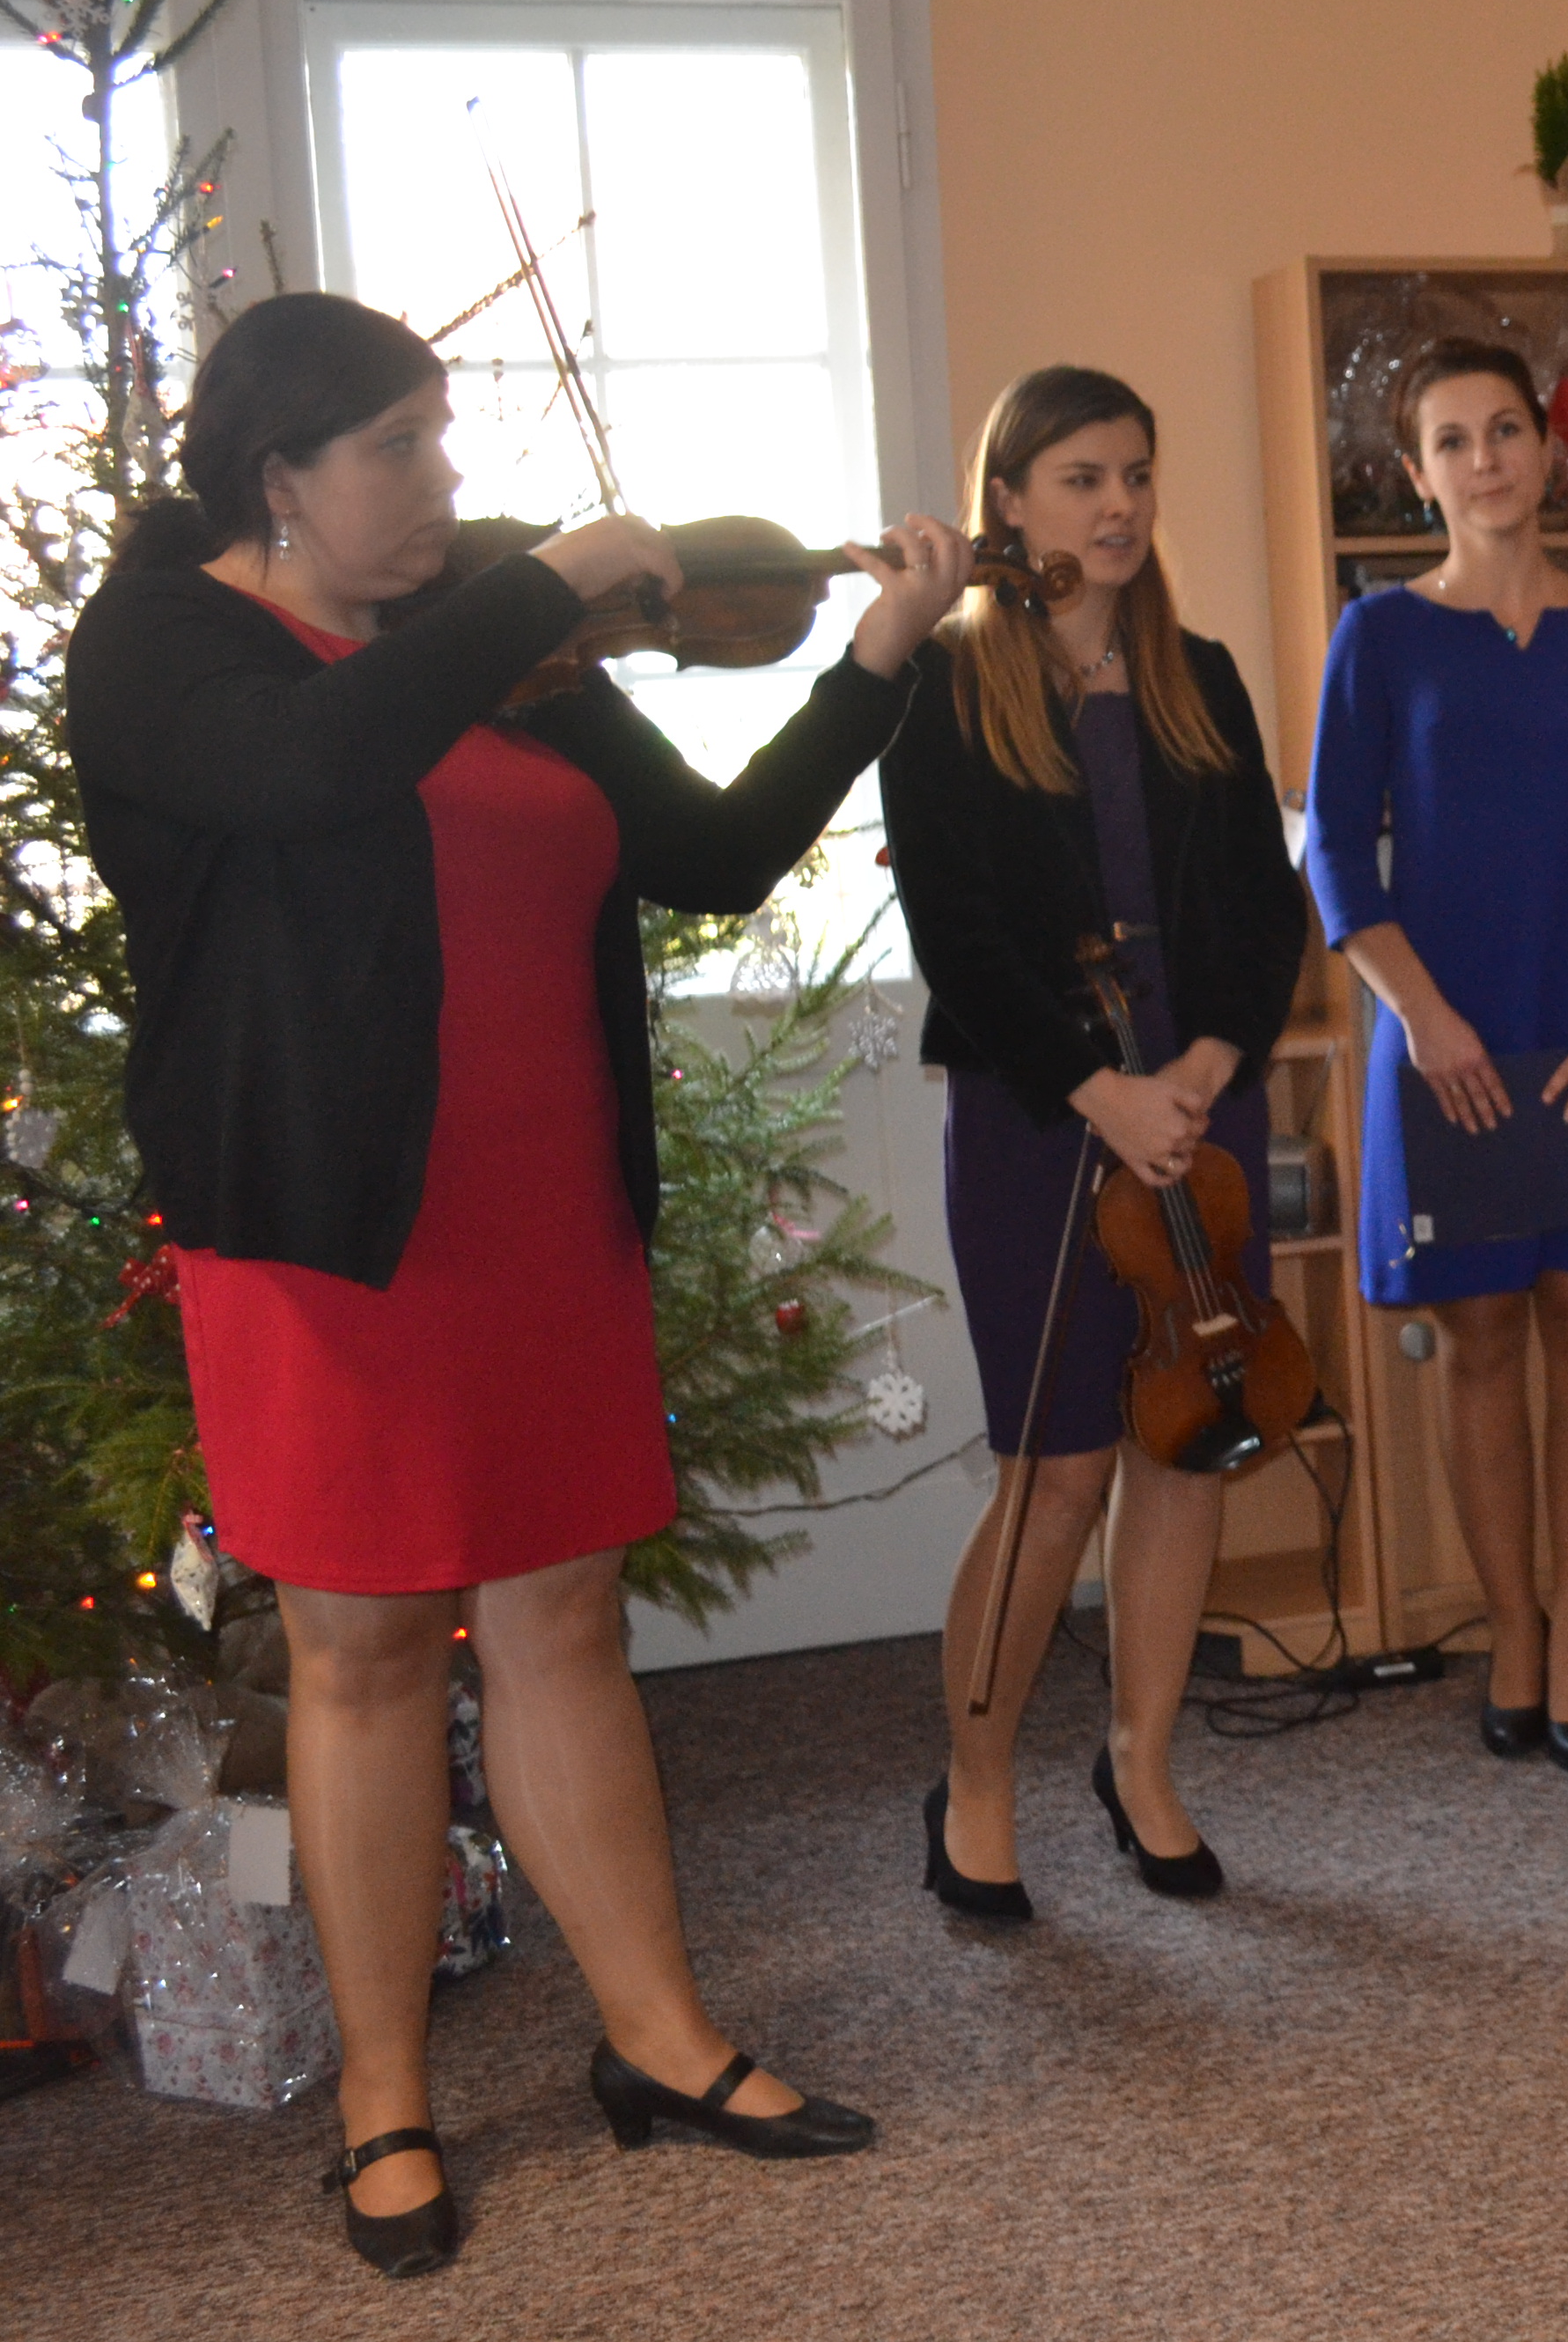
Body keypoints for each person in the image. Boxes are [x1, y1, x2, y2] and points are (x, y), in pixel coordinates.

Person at [65, 292, 972, 2274]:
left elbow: (714, 856)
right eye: (400, 444)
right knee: (366, 1651)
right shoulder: (167, 647)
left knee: (564, 1619)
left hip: (546, 1212)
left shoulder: (500, 643)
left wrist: (877, 664)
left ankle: (659, 2035)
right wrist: (538, 586)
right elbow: (311, 770)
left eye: (445, 439)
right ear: (279, 474)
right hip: (327, 1226)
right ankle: (386, 2099)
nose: (444, 479)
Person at [883, 366, 1310, 1917]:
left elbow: (1266, 902)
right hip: (1038, 1113)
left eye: (1136, 473)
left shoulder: (1199, 673)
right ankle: (977, 1781)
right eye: (1082, 479)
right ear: (1009, 501)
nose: (1119, 504)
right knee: (1057, 1467)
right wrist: (1099, 1088)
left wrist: (1208, 1060)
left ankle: (1142, 1762)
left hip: (1197, 1102)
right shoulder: (942, 687)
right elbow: (960, 937)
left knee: (1187, 1441)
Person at [1304, 340, 1568, 1774]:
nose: (1487, 460)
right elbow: (1335, 851)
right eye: (1453, 441)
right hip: (1446, 1039)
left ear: (1548, 449)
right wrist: (1421, 1014)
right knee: (1480, 1339)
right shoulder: (1380, 636)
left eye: (1507, 430)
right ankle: (1513, 1632)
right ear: (1418, 477)